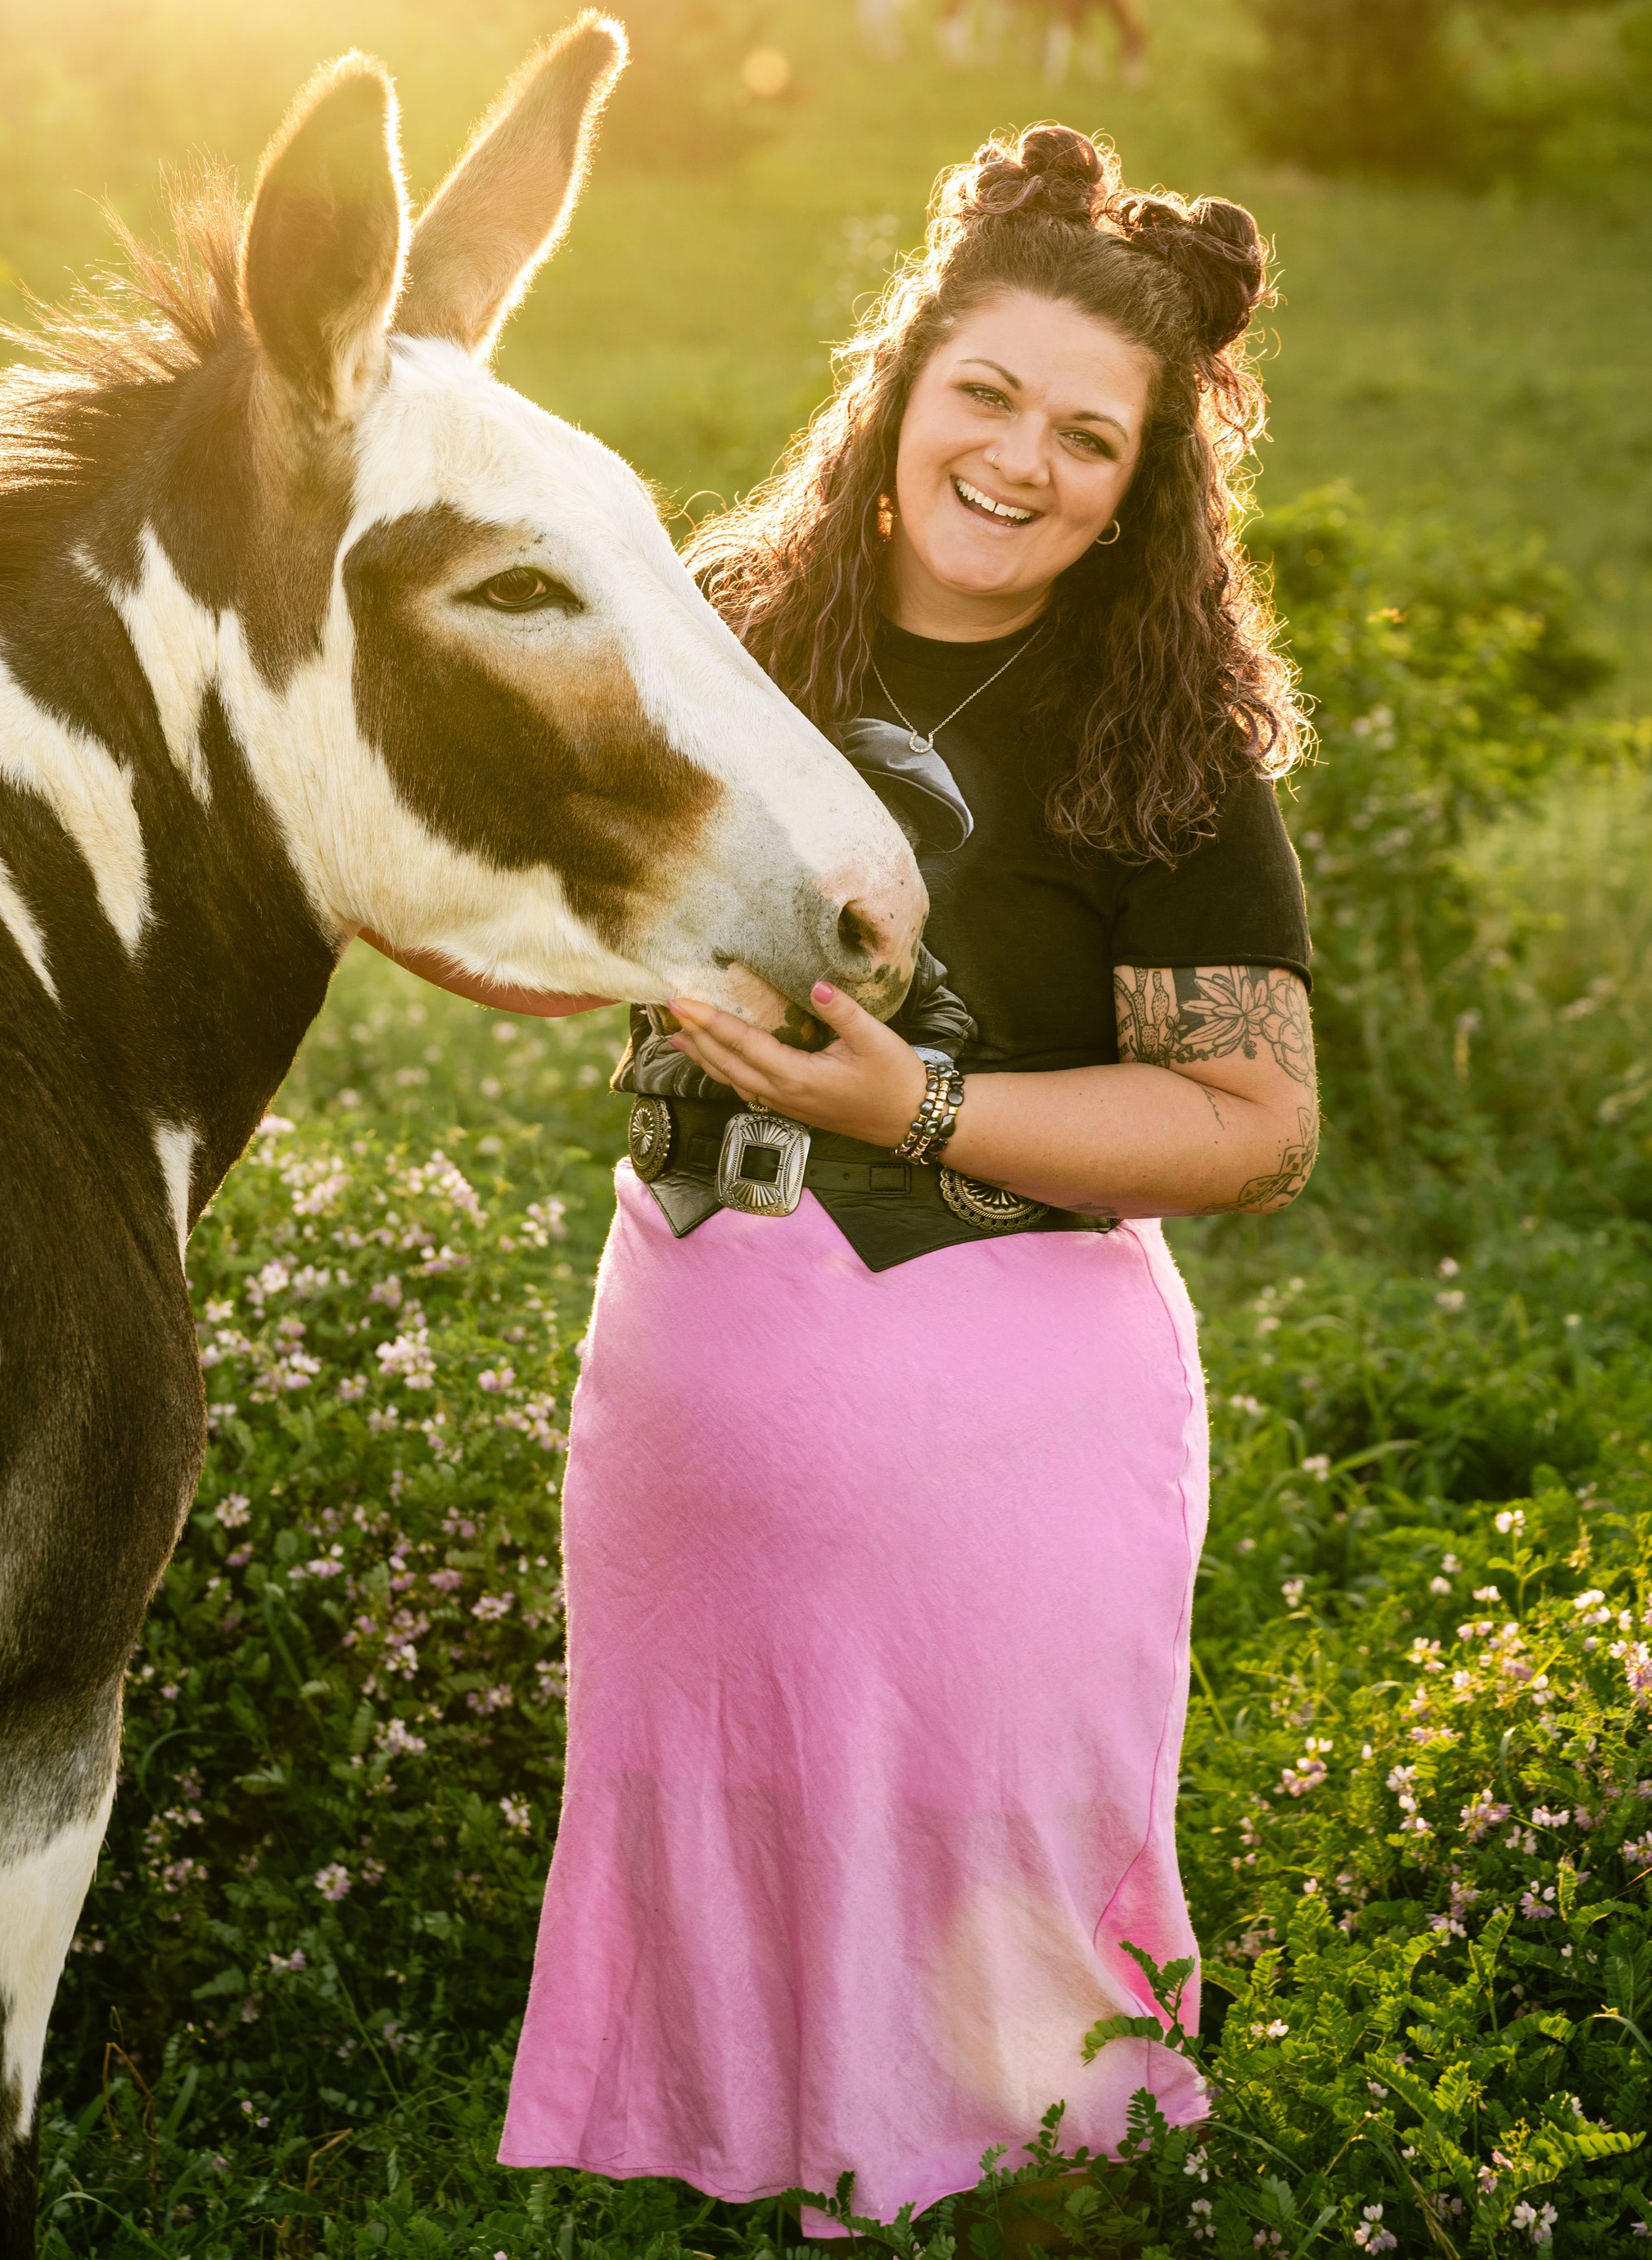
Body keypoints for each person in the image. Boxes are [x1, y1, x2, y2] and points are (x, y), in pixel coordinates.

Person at [495, 124, 1316, 2237]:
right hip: (689, 1380)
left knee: (998, 1976)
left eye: (1087, 439)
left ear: (1141, 494)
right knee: (714, 1840)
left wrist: (921, 1117)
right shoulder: (719, 634)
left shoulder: (1163, 741)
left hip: (1006, 1438)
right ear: (898, 398)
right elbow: (540, 905)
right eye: (987, 396)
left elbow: (1255, 1124)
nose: (1021, 462)